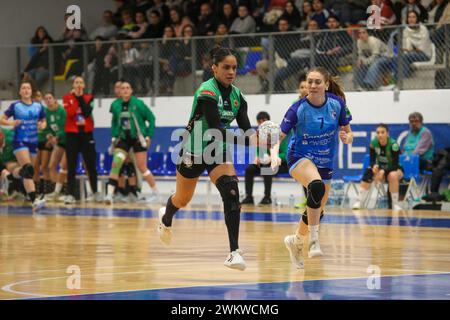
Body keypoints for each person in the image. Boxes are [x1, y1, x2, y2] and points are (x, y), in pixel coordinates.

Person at [157, 47, 264, 271]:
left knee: (232, 192)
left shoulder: (238, 97)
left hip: (218, 149)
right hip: (194, 149)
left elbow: (245, 129)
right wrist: (250, 142)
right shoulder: (207, 91)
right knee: (182, 200)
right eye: (226, 67)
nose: (231, 72)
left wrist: (260, 137)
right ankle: (166, 218)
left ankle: (234, 252)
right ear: (214, 68)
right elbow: (215, 128)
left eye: (234, 67)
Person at [275, 66, 353, 268]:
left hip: (324, 161)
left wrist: (347, 137)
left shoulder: (338, 104)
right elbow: (280, 137)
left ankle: (296, 241)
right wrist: (274, 154)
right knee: (316, 186)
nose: (312, 85)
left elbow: (348, 131)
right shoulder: (298, 108)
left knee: (318, 207)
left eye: (317, 82)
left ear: (326, 85)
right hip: (299, 157)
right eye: (309, 81)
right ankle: (314, 241)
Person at [105, 81, 158, 204]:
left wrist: (149, 136)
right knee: (116, 163)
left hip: (137, 139)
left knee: (142, 167)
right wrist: (114, 137)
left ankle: (156, 193)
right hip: (123, 139)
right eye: (123, 88)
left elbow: (151, 118)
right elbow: (114, 122)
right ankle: (109, 195)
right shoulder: (115, 105)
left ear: (131, 90)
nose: (125, 90)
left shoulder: (138, 104)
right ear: (120, 91)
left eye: (128, 88)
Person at [0, 81, 47, 211]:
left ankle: (10, 176)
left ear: (31, 91)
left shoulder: (38, 106)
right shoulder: (15, 106)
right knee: (28, 168)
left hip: (33, 141)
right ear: (20, 92)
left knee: (27, 172)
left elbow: (43, 121)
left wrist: (42, 125)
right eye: (23, 88)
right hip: (19, 141)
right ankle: (34, 200)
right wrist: (11, 123)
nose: (26, 90)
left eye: (28, 88)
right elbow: (2, 119)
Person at [62, 76, 101, 204]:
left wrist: (79, 98)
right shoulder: (67, 98)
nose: (79, 85)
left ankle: (95, 192)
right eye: (76, 82)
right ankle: (70, 194)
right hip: (72, 135)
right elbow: (71, 113)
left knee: (90, 165)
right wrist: (75, 99)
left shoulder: (89, 98)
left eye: (81, 83)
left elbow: (87, 112)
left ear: (84, 85)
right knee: (71, 165)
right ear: (73, 85)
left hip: (86, 135)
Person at [241, 111, 289, 205]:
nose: (262, 122)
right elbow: (259, 152)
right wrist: (258, 158)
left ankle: (267, 197)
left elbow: (285, 154)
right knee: (249, 169)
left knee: (267, 169)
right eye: (259, 121)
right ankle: (249, 197)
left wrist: (273, 157)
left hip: (280, 165)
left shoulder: (279, 135)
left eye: (264, 120)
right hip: (265, 164)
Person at [352, 124, 404, 211]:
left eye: (382, 132)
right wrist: (374, 166)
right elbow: (372, 160)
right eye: (378, 132)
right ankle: (359, 201)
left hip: (395, 169)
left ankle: (395, 204)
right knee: (369, 172)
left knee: (393, 175)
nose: (380, 134)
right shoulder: (373, 143)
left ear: (387, 133)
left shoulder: (394, 145)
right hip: (381, 168)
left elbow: (395, 165)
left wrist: (383, 171)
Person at [41, 92, 67, 202]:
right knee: (51, 166)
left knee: (64, 166)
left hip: (67, 141)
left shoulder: (61, 111)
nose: (48, 100)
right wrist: (49, 136)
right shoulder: (45, 112)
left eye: (50, 98)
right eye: (46, 99)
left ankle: (65, 192)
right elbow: (46, 128)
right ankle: (56, 192)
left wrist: (57, 136)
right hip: (58, 141)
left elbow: (65, 126)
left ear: (55, 99)